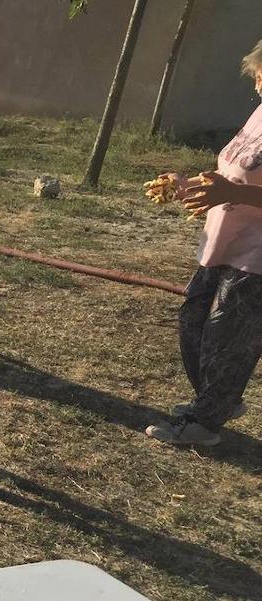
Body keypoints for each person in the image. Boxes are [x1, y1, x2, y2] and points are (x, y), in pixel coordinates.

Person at [146, 40, 262, 447]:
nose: (260, 81)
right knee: (194, 320)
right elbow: (232, 170)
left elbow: (240, 186)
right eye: (259, 74)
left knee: (226, 336)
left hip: (258, 252)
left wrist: (232, 194)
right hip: (224, 238)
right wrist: (192, 184)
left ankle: (204, 423)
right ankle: (220, 400)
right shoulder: (259, 115)